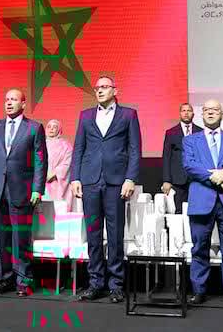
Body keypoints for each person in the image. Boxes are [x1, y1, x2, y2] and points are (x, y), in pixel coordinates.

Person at [71, 76, 141, 303]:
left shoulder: (128, 114)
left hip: (116, 181)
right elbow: (78, 148)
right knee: (93, 234)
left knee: (115, 234)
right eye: (97, 88)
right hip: (90, 180)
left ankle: (116, 285)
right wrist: (75, 177)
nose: (99, 90)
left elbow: (134, 148)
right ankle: (95, 283)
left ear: (115, 90)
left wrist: (130, 178)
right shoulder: (86, 115)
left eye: (104, 87)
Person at [0, 89, 47, 297]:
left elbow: (40, 161)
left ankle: (23, 281)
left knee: (21, 239)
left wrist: (37, 189)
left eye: (14, 99)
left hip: (22, 191)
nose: (9, 103)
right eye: (6, 99)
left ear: (23, 104)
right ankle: (5, 278)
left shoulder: (34, 127)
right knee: (1, 238)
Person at [183, 99, 223, 307]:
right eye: (206, 110)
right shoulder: (191, 140)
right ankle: (198, 290)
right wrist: (214, 176)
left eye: (215, 110)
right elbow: (189, 165)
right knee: (199, 248)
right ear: (202, 114)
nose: (210, 113)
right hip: (201, 200)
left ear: (222, 114)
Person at [162, 103, 202, 213]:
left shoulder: (201, 132)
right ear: (180, 114)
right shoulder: (171, 132)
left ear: (193, 114)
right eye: (183, 111)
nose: (186, 113)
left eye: (189, 110)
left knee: (196, 210)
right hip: (177, 180)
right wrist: (166, 180)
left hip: (196, 179)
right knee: (178, 212)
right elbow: (166, 157)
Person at [44, 119, 74, 211]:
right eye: (49, 127)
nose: (51, 129)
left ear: (59, 130)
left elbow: (68, 163)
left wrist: (54, 174)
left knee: (58, 210)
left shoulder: (65, 145)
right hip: (42, 182)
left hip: (57, 182)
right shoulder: (40, 144)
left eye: (54, 127)